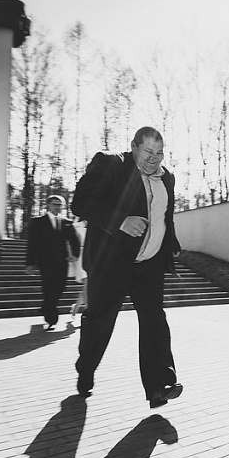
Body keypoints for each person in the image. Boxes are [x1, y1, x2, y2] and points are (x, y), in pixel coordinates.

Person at [71, 126, 183, 408]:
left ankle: (159, 384)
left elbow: (164, 215)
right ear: (133, 147)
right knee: (100, 320)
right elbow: (81, 203)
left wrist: (171, 242)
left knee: (154, 320)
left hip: (149, 264)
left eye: (159, 152)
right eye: (148, 151)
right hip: (111, 263)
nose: (154, 158)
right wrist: (120, 220)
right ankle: (86, 369)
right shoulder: (111, 164)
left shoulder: (167, 177)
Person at [25, 195, 81, 330]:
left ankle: (46, 306)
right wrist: (30, 263)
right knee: (48, 287)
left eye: (60, 205)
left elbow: (74, 240)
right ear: (48, 205)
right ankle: (51, 317)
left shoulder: (67, 222)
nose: (57, 207)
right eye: (55, 204)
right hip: (45, 261)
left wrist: (75, 255)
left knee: (61, 286)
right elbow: (32, 243)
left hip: (62, 261)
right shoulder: (38, 222)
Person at [70, 218, 88, 319]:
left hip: (92, 256)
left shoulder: (94, 226)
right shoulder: (75, 226)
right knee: (87, 282)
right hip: (79, 256)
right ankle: (88, 309)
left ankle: (76, 307)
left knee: (88, 285)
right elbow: (70, 242)